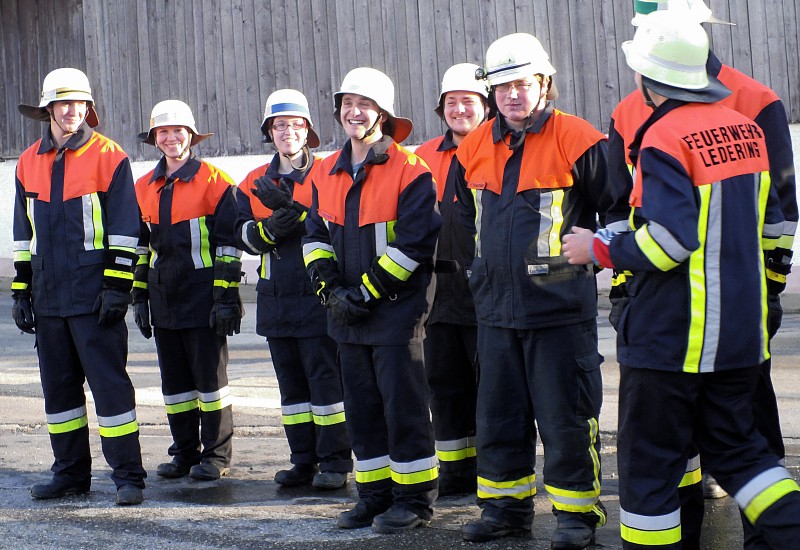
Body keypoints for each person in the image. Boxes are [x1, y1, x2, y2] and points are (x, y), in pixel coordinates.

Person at [563, 11, 800, 549]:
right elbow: (771, 227)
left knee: (649, 471)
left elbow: (671, 242)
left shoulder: (663, 136)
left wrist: (597, 249)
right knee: (743, 455)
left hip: (671, 340)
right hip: (739, 339)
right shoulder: (745, 129)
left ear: (648, 77)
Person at [453, 34, 609, 549]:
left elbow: (620, 210)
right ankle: (504, 511)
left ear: (544, 82)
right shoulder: (474, 146)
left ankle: (576, 516)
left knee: (567, 419)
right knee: (499, 418)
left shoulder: (578, 138)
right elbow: (464, 222)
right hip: (495, 311)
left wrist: (601, 256)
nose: (512, 95)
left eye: (521, 84)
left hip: (558, 310)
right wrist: (478, 275)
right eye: (502, 87)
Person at [302, 67, 441, 534]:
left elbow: (414, 245)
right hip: (347, 315)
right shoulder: (325, 171)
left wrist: (363, 293)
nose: (354, 112)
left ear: (382, 113)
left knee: (403, 408)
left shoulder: (410, 169)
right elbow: (314, 237)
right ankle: (374, 495)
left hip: (396, 313)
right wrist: (331, 290)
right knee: (361, 410)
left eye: (365, 104)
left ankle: (414, 499)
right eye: (348, 104)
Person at [13, 67, 146, 505]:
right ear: (48, 109)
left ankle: (128, 477)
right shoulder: (28, 162)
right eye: (63, 103)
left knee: (110, 388)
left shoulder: (110, 156)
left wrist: (118, 288)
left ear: (88, 107)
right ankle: (69, 474)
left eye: (79, 103)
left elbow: (126, 230)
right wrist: (21, 290)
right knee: (59, 392)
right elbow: (23, 234)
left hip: (94, 297)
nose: (72, 110)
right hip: (49, 297)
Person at [235, 89, 352, 490]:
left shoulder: (330, 173)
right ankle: (303, 461)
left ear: (308, 131)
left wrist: (293, 213)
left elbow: (335, 228)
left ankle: (335, 461)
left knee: (326, 383)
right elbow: (239, 235)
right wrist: (268, 229)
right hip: (276, 299)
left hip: (318, 295)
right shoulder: (253, 181)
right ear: (269, 131)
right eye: (280, 125)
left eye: (296, 125)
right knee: (292, 389)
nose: (288, 132)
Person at [132, 100, 241, 482]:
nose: (171, 138)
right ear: (154, 139)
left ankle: (216, 455)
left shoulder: (216, 182)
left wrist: (225, 297)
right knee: (175, 385)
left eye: (178, 130)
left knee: (211, 384)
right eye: (163, 132)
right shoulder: (142, 187)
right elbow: (140, 248)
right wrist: (139, 297)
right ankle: (184, 453)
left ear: (191, 135)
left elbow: (229, 246)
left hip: (204, 299)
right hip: (164, 298)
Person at [414, 63, 488, 497]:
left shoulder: (498, 149)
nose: (459, 109)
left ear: (485, 106)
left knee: (490, 388)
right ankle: (456, 472)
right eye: (452, 102)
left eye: (469, 101)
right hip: (437, 297)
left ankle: (492, 471)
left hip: (485, 295)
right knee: (443, 386)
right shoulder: (423, 156)